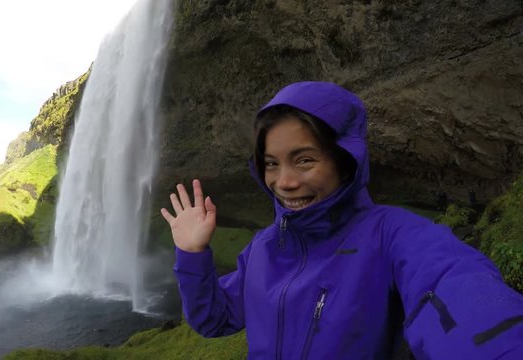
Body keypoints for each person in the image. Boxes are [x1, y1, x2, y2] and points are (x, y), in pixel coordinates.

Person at [160, 82, 523, 359]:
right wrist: (192, 253)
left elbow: (453, 283)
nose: (283, 181)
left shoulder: (390, 234)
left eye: (304, 160)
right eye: (271, 163)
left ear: (344, 159)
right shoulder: (263, 248)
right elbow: (214, 319)